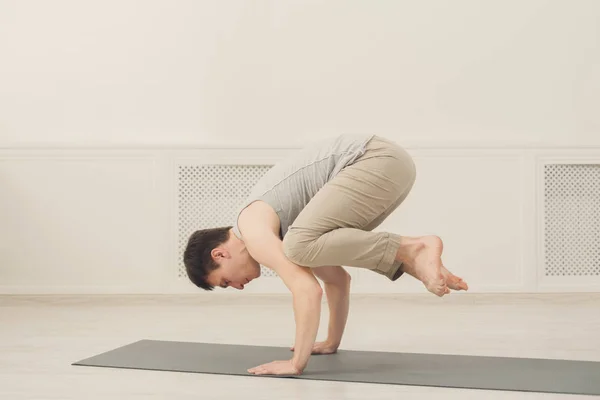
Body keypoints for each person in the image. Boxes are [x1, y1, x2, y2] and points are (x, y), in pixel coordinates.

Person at [183, 133, 468, 376]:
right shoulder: (285, 233)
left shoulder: (253, 232)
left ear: (220, 254)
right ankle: (413, 260)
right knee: (307, 247)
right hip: (393, 167)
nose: (238, 287)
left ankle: (414, 249)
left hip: (374, 159)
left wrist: (296, 363)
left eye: (225, 282)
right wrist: (331, 341)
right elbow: (337, 281)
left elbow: (307, 290)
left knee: (299, 246)